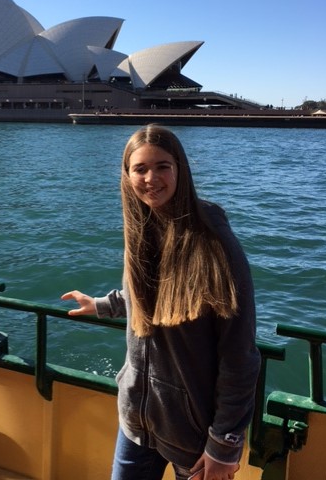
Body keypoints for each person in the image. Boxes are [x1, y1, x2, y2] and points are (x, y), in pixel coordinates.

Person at [61, 125, 261, 480]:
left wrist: (224, 444)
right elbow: (153, 293)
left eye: (162, 166)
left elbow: (240, 352)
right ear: (126, 176)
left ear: (180, 170)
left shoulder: (211, 239)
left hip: (194, 433)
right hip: (137, 421)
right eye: (140, 169)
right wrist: (104, 305)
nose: (151, 178)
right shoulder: (143, 225)